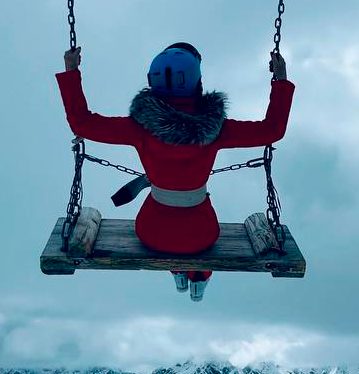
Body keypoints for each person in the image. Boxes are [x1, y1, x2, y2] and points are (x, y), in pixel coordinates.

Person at [56, 43, 295, 301]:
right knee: (194, 243)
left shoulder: (139, 127)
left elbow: (82, 122)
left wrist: (71, 71)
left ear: (152, 82)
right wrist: (280, 80)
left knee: (167, 236)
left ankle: (179, 272)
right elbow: (272, 130)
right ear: (197, 82)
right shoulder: (217, 129)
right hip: (201, 232)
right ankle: (198, 279)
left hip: (151, 231)